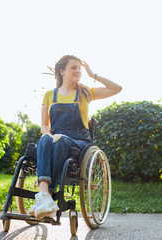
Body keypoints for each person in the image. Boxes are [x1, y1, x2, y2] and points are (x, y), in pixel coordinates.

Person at [29, 55, 122, 219]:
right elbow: (44, 126)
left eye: (79, 68)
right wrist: (49, 135)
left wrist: (93, 75)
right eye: (74, 67)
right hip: (56, 138)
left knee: (60, 140)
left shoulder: (86, 93)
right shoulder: (49, 95)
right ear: (62, 71)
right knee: (45, 139)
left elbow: (117, 88)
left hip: (80, 144)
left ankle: (47, 196)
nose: (78, 71)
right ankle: (45, 195)